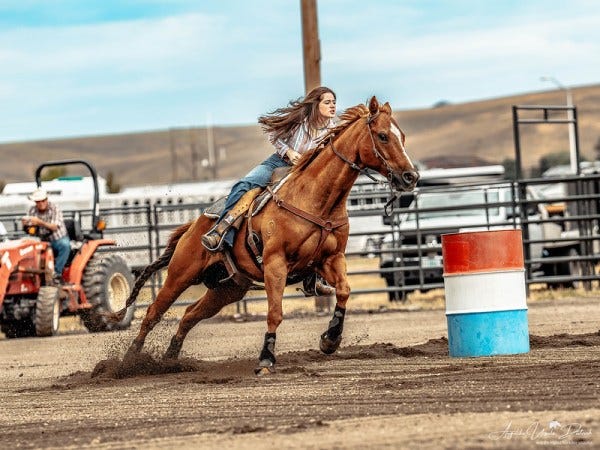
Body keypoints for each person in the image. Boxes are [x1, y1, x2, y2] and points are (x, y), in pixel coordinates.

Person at [202, 86, 338, 251]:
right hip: (279, 162)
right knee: (244, 185)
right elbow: (273, 135)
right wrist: (289, 151)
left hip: (306, 170)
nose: (332, 106)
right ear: (316, 105)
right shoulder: (298, 121)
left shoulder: (333, 129)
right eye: (327, 102)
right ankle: (221, 232)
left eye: (334, 102)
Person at [22, 188, 70, 283]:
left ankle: (56, 273)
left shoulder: (54, 208)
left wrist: (39, 222)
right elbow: (30, 230)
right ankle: (32, 275)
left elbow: (54, 227)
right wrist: (26, 226)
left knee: (65, 245)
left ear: (46, 200)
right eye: (38, 201)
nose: (41, 203)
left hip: (57, 239)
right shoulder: (32, 210)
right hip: (42, 240)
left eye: (43, 200)